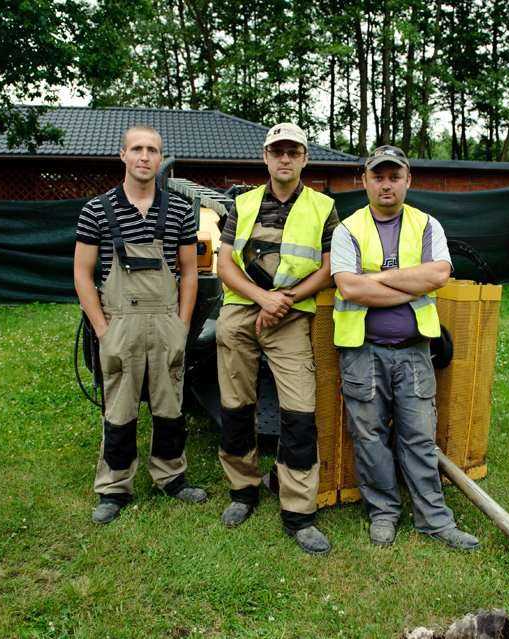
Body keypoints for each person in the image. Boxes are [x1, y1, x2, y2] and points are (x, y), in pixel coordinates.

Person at [330, 145, 480, 550]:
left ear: (408, 181)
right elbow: (349, 286)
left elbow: (439, 274)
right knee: (370, 437)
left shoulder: (427, 225)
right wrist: (407, 284)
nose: (386, 184)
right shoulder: (347, 229)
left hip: (414, 351)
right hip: (362, 352)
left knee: (418, 435)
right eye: (378, 176)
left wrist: (377, 280)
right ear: (364, 181)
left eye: (394, 176)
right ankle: (384, 512)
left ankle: (434, 519)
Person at [215, 122, 339, 554]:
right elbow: (225, 265)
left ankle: (298, 512)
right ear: (265, 157)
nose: (284, 158)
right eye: (277, 151)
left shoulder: (324, 207)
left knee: (300, 411)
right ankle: (242, 491)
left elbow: (327, 268)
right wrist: (261, 299)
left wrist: (284, 301)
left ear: (304, 158)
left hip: (290, 317)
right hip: (242, 312)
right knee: (235, 406)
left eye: (293, 151)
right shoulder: (242, 203)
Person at [73, 124, 207, 525]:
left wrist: (181, 327)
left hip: (166, 321)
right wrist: (102, 329)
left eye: (152, 150)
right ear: (123, 156)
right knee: (119, 408)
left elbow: (189, 273)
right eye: (137, 149)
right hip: (120, 323)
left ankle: (171, 477)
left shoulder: (181, 210)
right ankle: (114, 487)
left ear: (160, 158)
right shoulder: (97, 210)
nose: (145, 156)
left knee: (171, 407)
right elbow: (83, 274)